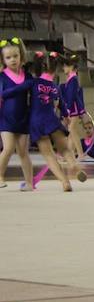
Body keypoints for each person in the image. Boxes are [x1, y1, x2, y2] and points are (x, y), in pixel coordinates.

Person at [2, 51, 85, 192]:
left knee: (49, 155)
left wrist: (4, 94)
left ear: (38, 68)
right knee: (64, 149)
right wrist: (66, 116)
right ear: (55, 69)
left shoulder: (33, 83)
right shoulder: (55, 87)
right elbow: (63, 106)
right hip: (52, 120)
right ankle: (74, 166)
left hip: (36, 123)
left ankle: (65, 182)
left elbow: (13, 91)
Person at [0, 37, 33, 191]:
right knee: (7, 148)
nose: (12, 60)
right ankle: (0, 176)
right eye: (8, 57)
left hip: (23, 118)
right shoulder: (2, 76)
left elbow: (34, 90)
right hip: (6, 118)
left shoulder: (27, 75)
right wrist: (23, 87)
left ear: (21, 56)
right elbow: (3, 94)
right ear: (3, 59)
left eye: (15, 56)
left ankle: (29, 183)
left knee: (23, 152)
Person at [60, 54, 86, 159]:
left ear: (71, 67)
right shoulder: (71, 79)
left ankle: (80, 154)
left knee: (72, 129)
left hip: (73, 107)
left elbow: (72, 96)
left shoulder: (73, 79)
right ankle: (69, 154)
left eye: (65, 66)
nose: (63, 68)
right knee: (71, 131)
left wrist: (68, 108)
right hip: (72, 107)